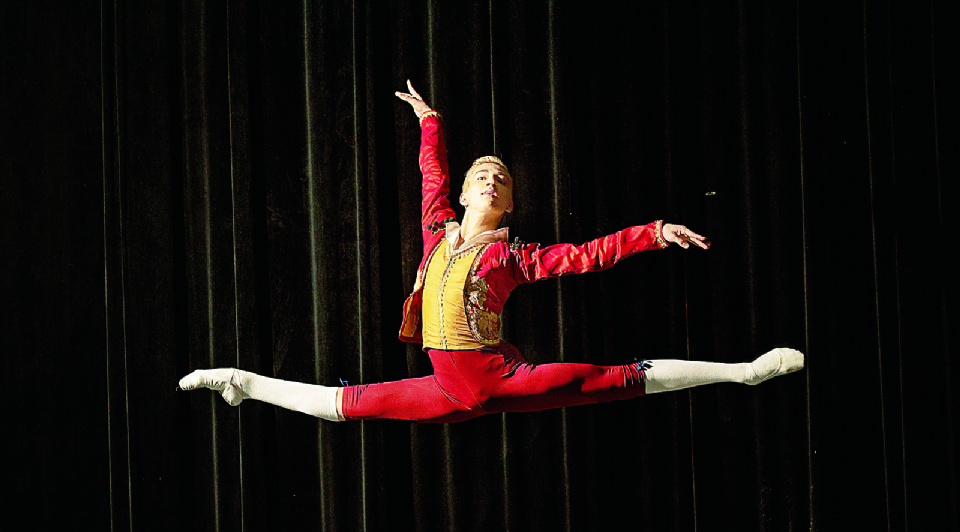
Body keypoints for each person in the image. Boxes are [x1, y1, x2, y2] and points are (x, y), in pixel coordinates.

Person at [179, 80, 803, 422]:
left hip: (499, 380)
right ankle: (240, 382)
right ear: (466, 189)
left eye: (501, 178)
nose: (489, 178)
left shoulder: (516, 255)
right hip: (445, 386)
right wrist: (431, 123)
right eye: (482, 172)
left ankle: (745, 371)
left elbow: (587, 253)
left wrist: (652, 231)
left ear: (508, 204)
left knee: (617, 379)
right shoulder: (438, 230)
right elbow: (430, 177)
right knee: (339, 404)